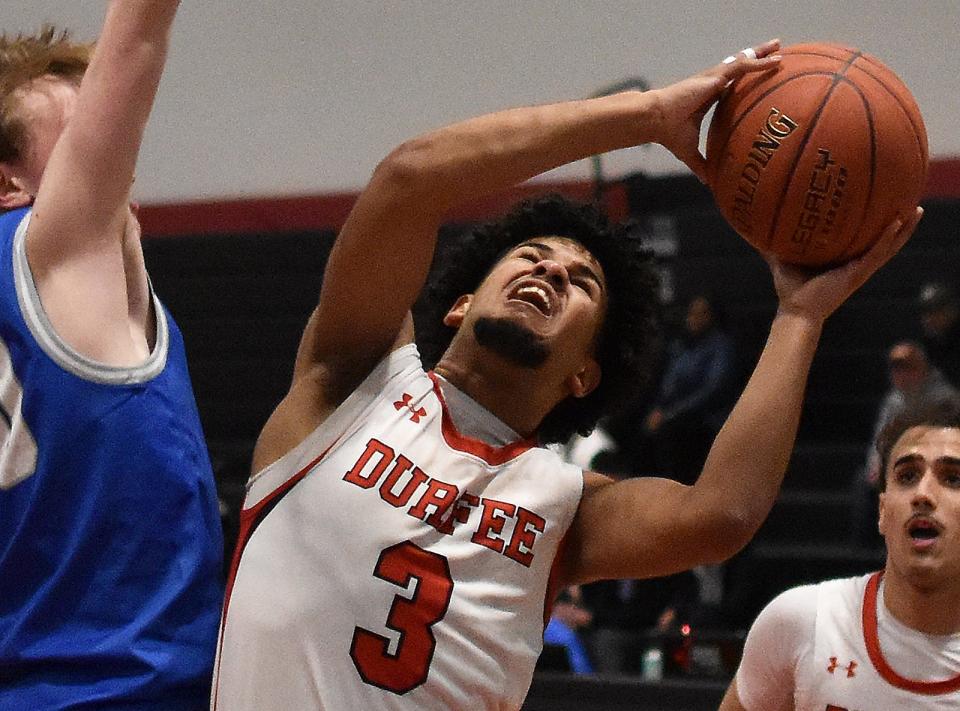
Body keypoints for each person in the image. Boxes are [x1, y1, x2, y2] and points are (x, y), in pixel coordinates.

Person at [212, 39, 921, 710]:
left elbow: (721, 512)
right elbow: (410, 178)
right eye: (530, 256)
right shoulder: (354, 382)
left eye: (581, 280)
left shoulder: (563, 506)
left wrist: (800, 315)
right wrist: (644, 117)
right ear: (459, 303)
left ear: (585, 372)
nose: (551, 268)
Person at [0, 5, 223, 708]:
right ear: (8, 185)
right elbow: (137, 39)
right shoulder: (47, 249)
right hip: (114, 690)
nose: (113, 145)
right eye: (77, 137)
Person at [719, 396, 960, 710]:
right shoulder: (803, 620)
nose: (923, 494)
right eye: (907, 476)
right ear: (882, 511)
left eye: (953, 478)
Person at [852, 341, 957, 546]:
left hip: (936, 464)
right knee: (863, 482)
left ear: (922, 368)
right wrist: (875, 465)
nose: (902, 374)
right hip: (900, 463)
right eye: (897, 369)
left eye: (908, 368)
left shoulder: (945, 398)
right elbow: (879, 438)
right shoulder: (893, 400)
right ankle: (865, 547)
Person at [643, 292, 739, 485]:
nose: (693, 319)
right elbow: (667, 386)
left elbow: (713, 390)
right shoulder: (681, 347)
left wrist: (670, 414)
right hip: (674, 414)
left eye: (701, 313)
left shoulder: (721, 347)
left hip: (704, 418)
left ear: (712, 316)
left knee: (672, 432)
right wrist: (659, 409)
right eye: (691, 313)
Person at [917, 281, 960, 388]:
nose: (929, 319)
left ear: (951, 310)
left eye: (935, 311)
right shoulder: (929, 339)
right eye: (926, 312)